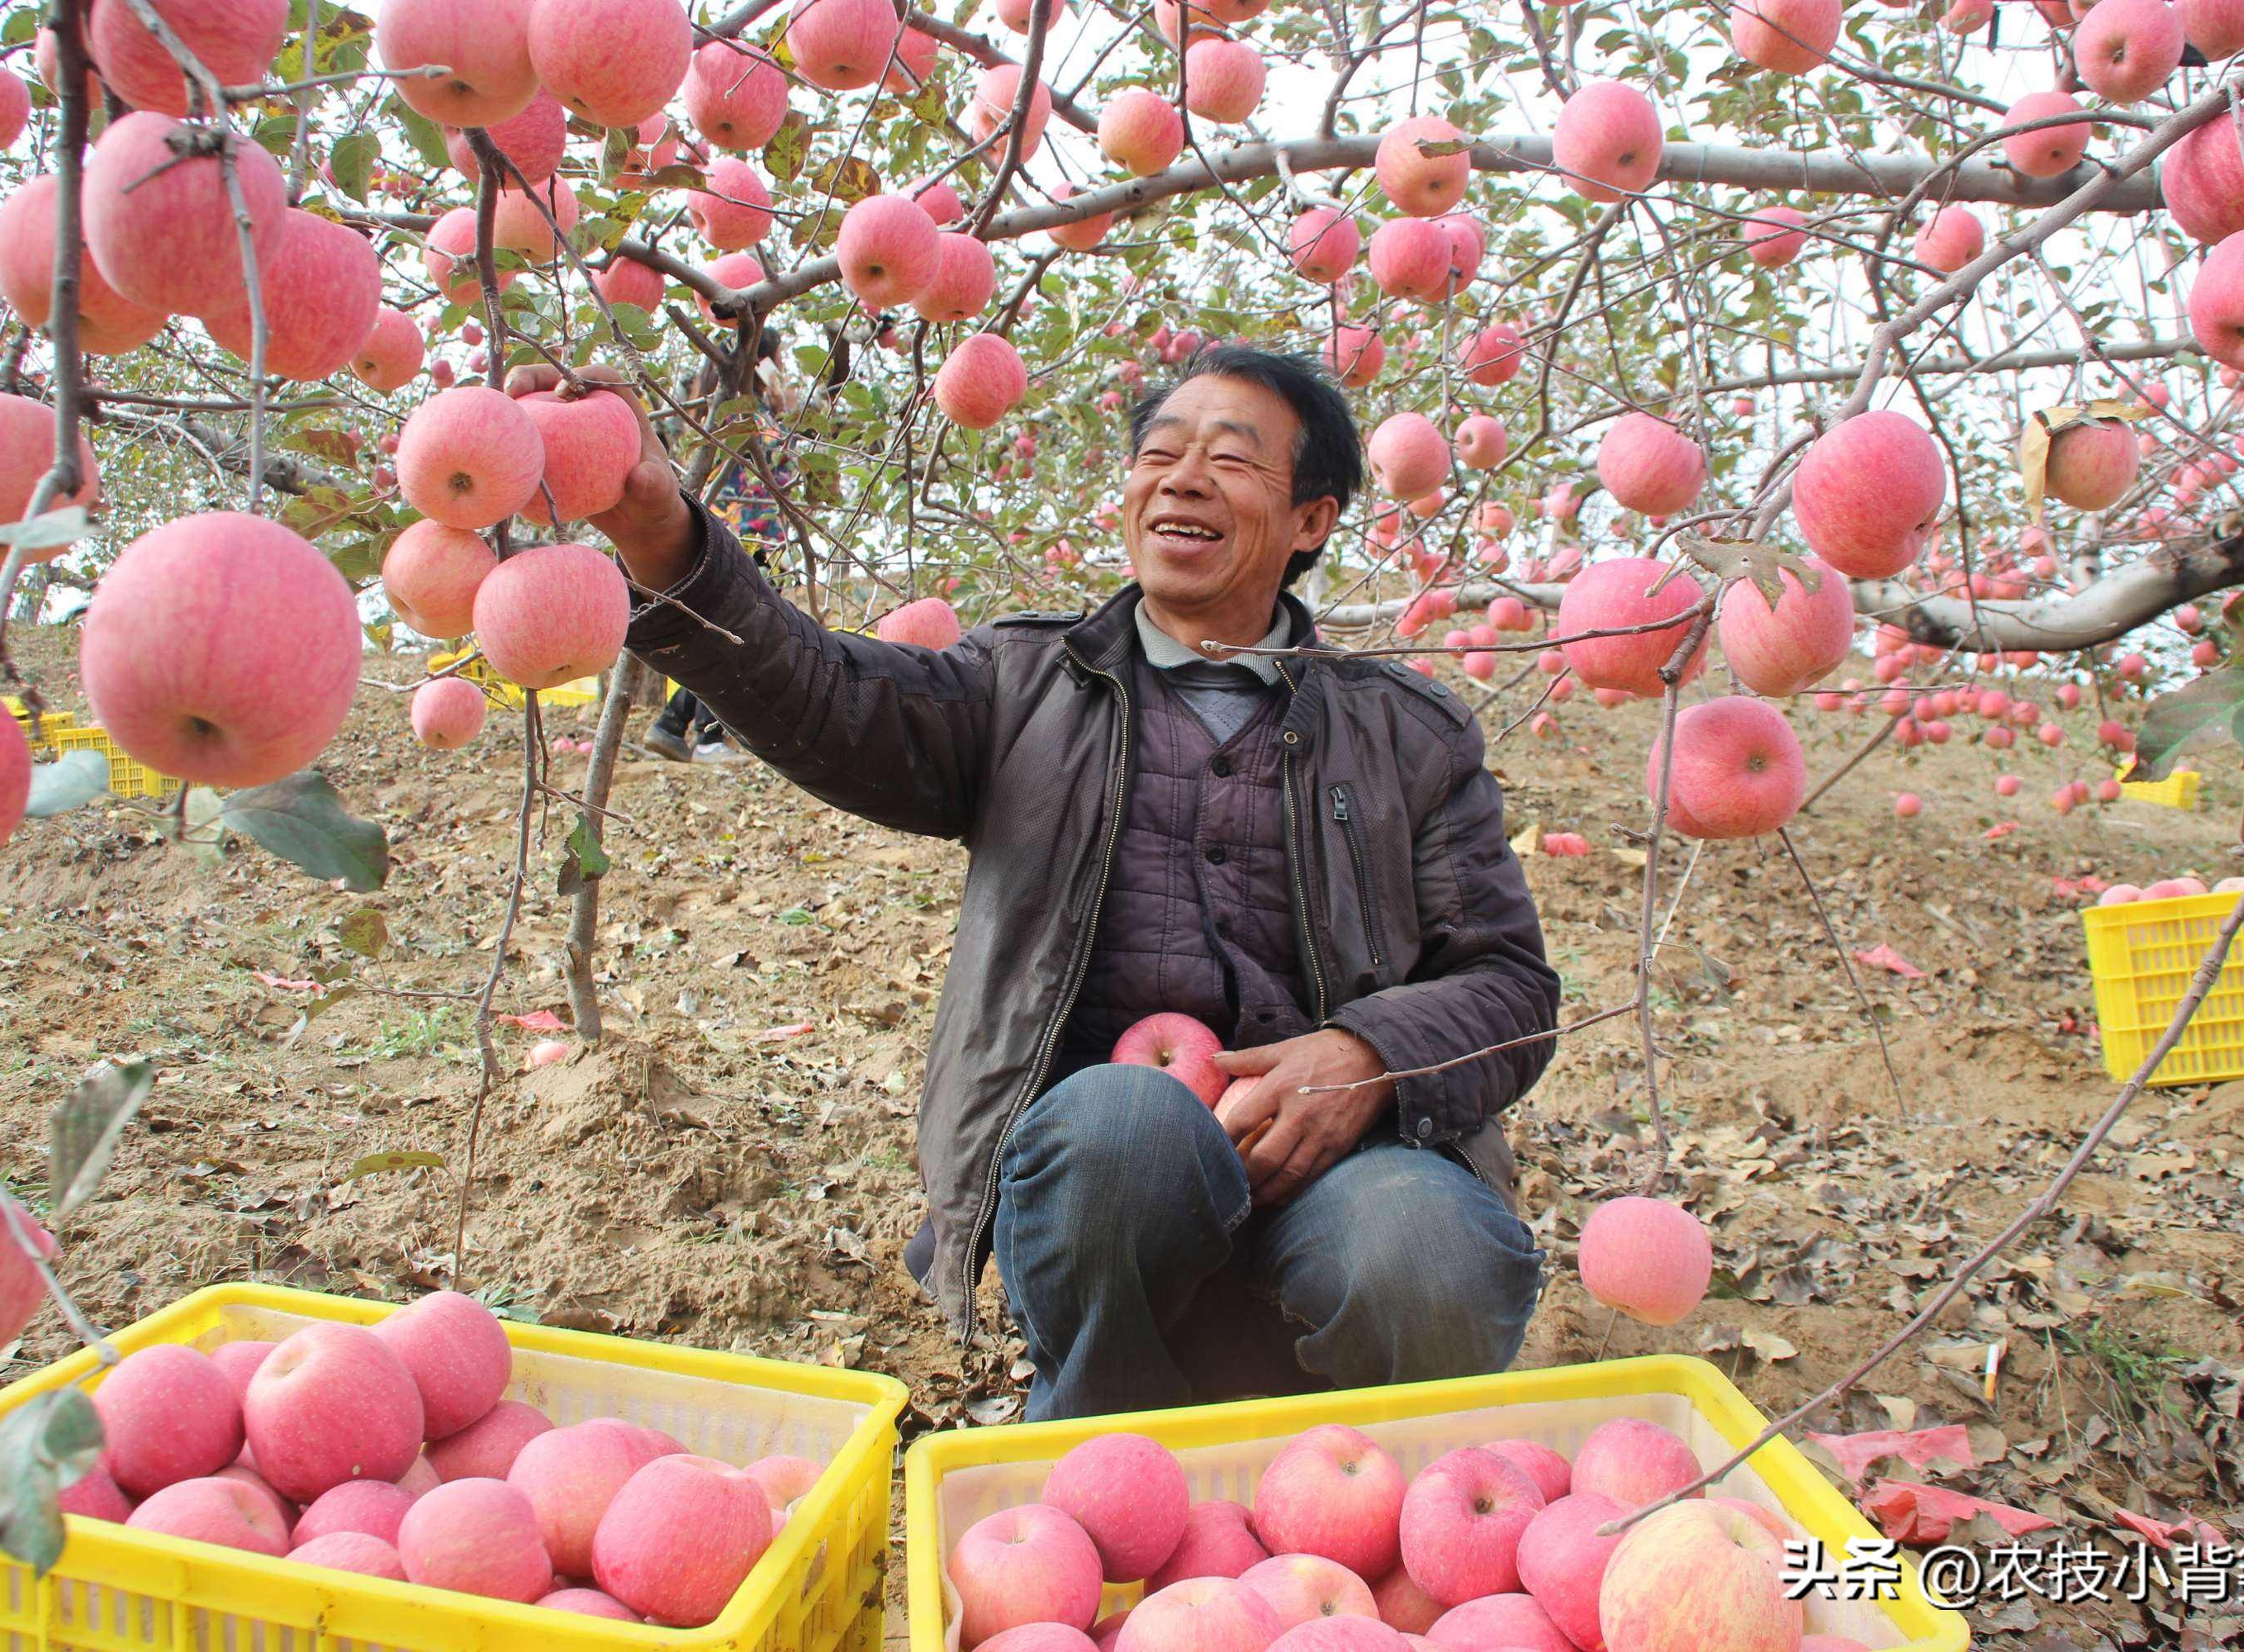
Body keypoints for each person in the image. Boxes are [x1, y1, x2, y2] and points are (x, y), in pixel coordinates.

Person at [511, 345, 1561, 1422]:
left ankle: (1359, 1482)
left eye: (1232, 459)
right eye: (1159, 452)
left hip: (1349, 1172)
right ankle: (1099, 1441)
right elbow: (824, 692)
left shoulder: (1406, 731)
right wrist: (655, 529)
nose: (1183, 477)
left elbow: (1511, 986)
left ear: (1313, 520)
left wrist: (1369, 1059)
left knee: (1429, 1255)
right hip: (1106, 1183)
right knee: (1121, 1127)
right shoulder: (1021, 686)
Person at [643, 330, 799, 762]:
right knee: (736, 635)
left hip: (719, 532)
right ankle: (707, 737)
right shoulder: (753, 411)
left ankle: (672, 725)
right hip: (756, 536)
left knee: (717, 632)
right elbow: (783, 458)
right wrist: (781, 400)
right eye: (777, 358)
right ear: (762, 360)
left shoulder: (703, 402)